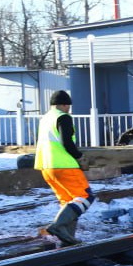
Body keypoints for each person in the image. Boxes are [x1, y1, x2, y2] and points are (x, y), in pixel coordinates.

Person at [35, 90, 94, 247]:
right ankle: (58, 227)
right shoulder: (63, 117)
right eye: (68, 106)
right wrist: (78, 156)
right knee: (85, 197)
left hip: (46, 166)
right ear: (65, 104)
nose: (69, 109)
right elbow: (66, 141)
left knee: (68, 201)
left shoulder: (45, 118)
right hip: (64, 165)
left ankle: (67, 238)